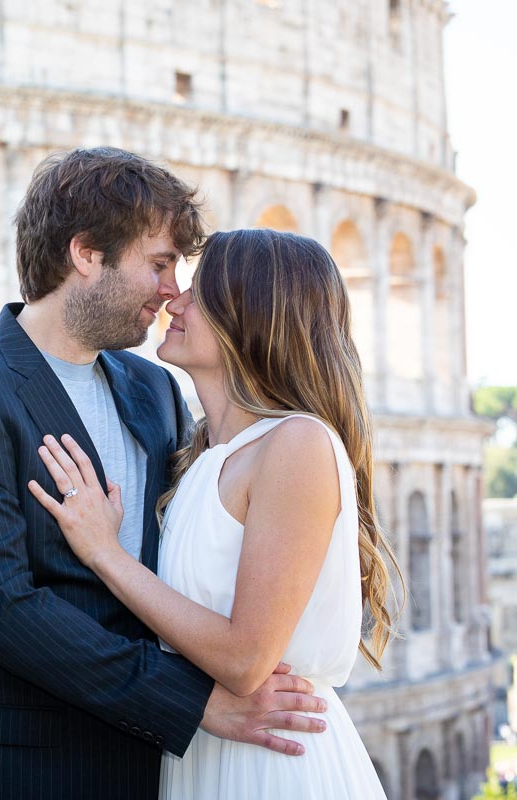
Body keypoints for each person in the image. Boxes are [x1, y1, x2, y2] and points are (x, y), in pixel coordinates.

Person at [0, 148, 327, 800]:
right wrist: (193, 702)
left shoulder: (154, 388)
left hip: (148, 763)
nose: (173, 289)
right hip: (16, 764)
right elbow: (0, 608)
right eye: (159, 264)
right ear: (86, 255)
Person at [28, 228, 397, 798]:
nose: (172, 300)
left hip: (272, 760)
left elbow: (247, 659)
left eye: (198, 293)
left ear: (250, 315)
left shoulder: (296, 445)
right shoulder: (200, 453)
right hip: (200, 746)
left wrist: (105, 553)